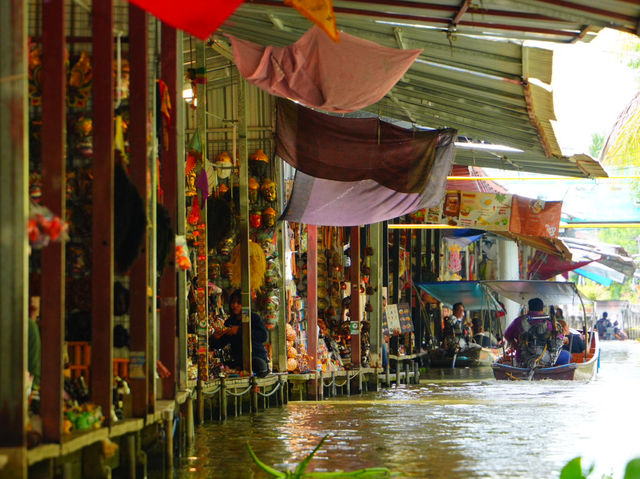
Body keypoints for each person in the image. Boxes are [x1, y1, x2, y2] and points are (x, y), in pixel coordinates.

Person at [210, 289, 270, 377]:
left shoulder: (254, 318)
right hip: (239, 361)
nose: (235, 305)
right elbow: (220, 344)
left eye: (239, 303)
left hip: (257, 358)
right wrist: (215, 337)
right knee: (220, 366)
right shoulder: (230, 322)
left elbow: (263, 336)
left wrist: (239, 330)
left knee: (258, 364)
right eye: (233, 302)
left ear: (246, 305)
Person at [503, 297, 564, 369]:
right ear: (542, 309)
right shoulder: (549, 323)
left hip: (522, 359)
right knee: (566, 355)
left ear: (529, 308)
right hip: (545, 361)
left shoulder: (519, 321)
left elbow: (507, 335)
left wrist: (516, 345)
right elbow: (559, 338)